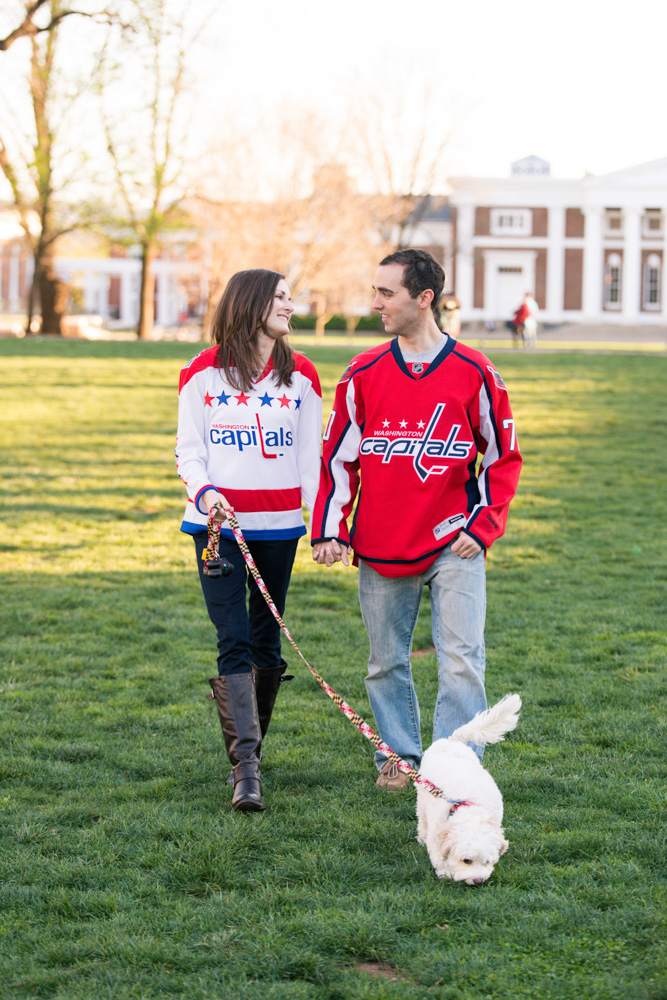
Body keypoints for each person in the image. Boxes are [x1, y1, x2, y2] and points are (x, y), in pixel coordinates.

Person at [311, 249, 522, 790]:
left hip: (455, 540)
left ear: (423, 298)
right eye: (375, 290)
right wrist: (331, 528)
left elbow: (503, 456)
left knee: (461, 661)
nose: (374, 302)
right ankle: (400, 758)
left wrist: (482, 525)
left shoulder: (474, 371)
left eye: (387, 293)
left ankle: (456, 767)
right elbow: (338, 458)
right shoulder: (362, 373)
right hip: (381, 542)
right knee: (385, 662)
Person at [176, 269, 322, 811]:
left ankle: (251, 748)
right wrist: (207, 492)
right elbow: (187, 451)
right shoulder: (204, 373)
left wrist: (326, 525)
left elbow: (312, 460)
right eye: (281, 297)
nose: (291, 305)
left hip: (279, 527)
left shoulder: (301, 375)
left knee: (267, 643)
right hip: (216, 528)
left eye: (289, 296)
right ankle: (247, 770)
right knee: (231, 637)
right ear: (252, 303)